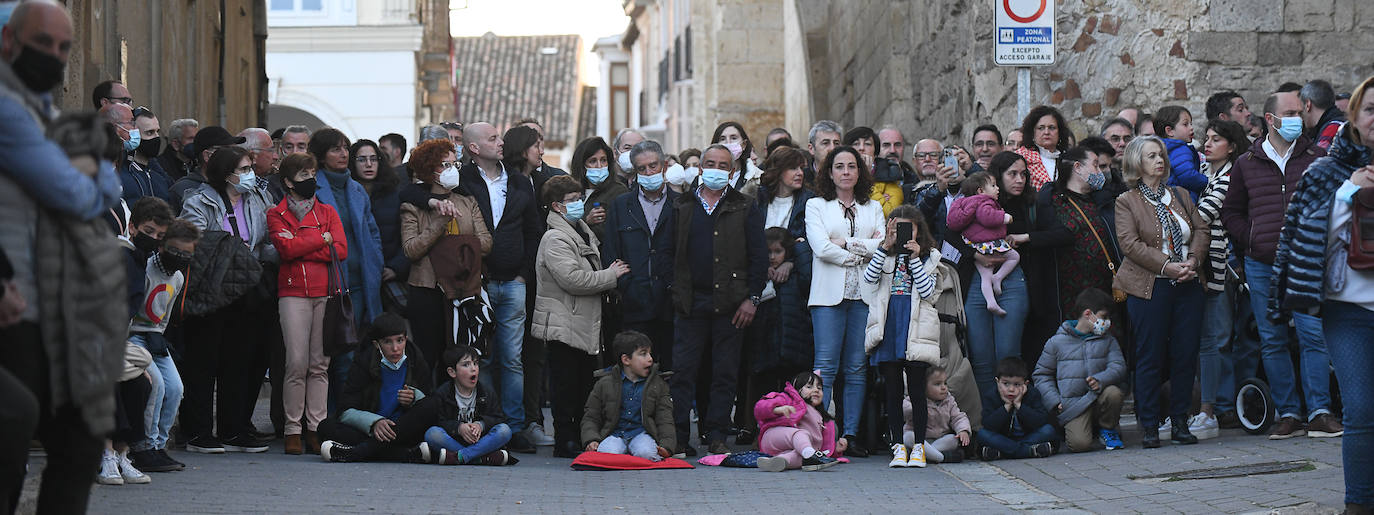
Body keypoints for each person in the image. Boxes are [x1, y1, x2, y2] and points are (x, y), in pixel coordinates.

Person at [1, 5, 129, 508]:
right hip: (16, 309)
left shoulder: (47, 114)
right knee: (12, 439)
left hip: (53, 307)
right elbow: (74, 193)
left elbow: (106, 184)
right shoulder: (9, 110)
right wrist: (81, 172)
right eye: (43, 43)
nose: (53, 56)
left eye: (63, 47)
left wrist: (85, 173)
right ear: (9, 40)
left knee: (77, 442)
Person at [1271, 75, 1374, 513]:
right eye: (1371, 109)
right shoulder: (1325, 172)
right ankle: (1359, 504)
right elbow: (1300, 240)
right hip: (1348, 312)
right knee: (1362, 410)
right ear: (1353, 115)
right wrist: (1351, 192)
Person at [1221, 91, 1341, 440]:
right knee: (1271, 340)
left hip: (1306, 263)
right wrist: (1252, 239)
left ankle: (1319, 411)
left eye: (1300, 112)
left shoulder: (1318, 157)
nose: (1298, 117)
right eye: (1289, 112)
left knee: (1312, 336)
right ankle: (1289, 413)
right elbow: (1231, 212)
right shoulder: (1247, 162)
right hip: (1262, 264)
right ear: (1270, 120)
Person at [669, 144, 767, 456]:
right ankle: (680, 436)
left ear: (732, 171)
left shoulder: (745, 205)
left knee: (724, 373)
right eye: (709, 163)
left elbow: (759, 257)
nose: (714, 169)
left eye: (722, 165)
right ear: (700, 168)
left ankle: (716, 433)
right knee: (684, 372)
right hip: (690, 302)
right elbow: (668, 255)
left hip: (731, 304)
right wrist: (675, 292)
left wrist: (752, 298)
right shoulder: (681, 205)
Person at [179, 145, 277, 454]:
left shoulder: (259, 199)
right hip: (212, 287)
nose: (250, 175)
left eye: (250, 168)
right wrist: (232, 251)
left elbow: (265, 241)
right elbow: (193, 241)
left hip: (247, 286)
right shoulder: (198, 201)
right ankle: (198, 432)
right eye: (244, 169)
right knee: (204, 360)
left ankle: (233, 429)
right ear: (225, 173)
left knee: (240, 360)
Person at [1114, 136, 1207, 448]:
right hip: (1149, 286)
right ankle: (1150, 424)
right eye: (1152, 156)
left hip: (1187, 283)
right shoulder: (1126, 201)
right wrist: (1168, 266)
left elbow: (1201, 230)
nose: (1160, 161)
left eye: (1162, 155)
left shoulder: (1179, 194)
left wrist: (1193, 259)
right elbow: (1129, 244)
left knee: (1185, 354)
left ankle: (1180, 421)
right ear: (1137, 164)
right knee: (1150, 355)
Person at [531, 174, 628, 457]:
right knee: (565, 386)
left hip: (582, 322)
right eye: (571, 201)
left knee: (584, 384)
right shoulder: (555, 237)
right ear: (556, 206)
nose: (578, 204)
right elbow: (573, 279)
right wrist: (611, 275)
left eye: (578, 198)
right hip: (564, 322)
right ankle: (565, 439)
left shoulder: (581, 229)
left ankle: (581, 436)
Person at [805, 144, 883, 457]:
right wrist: (856, 257)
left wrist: (849, 243)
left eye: (852, 166)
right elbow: (821, 248)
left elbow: (882, 246)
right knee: (825, 366)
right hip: (828, 297)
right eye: (839, 166)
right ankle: (819, 432)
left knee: (856, 367)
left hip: (863, 296)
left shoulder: (873, 207)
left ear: (859, 171)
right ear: (829, 172)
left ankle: (849, 435)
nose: (846, 172)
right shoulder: (816, 205)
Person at [266, 152, 347, 455]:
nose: (310, 180)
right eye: (303, 176)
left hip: (324, 292)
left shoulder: (327, 212)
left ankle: (317, 427)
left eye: (312, 173)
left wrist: (305, 243)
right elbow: (285, 250)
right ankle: (292, 429)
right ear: (288, 182)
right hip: (292, 293)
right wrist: (321, 239)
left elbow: (341, 249)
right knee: (296, 363)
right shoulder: (276, 213)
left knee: (319, 364)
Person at [399, 139, 491, 377]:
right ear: (430, 169)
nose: (452, 170)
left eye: (455, 164)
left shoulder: (467, 202)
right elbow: (411, 249)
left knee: (460, 354)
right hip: (427, 290)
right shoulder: (413, 207)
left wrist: (457, 246)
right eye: (444, 165)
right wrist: (439, 223)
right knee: (427, 357)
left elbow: (487, 243)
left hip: (463, 290)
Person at [861, 205, 941, 467]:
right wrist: (885, 245)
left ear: (919, 230)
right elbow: (870, 280)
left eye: (909, 228)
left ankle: (918, 446)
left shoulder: (931, 257)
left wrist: (915, 258)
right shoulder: (884, 254)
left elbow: (929, 293)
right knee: (892, 391)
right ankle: (898, 446)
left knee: (917, 390)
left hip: (915, 329)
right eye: (897, 228)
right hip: (889, 327)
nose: (904, 233)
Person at [126, 210, 198, 474]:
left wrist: (159, 338)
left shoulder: (178, 277)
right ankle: (143, 447)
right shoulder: (146, 266)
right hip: (134, 334)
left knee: (176, 388)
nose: (180, 257)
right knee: (154, 384)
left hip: (156, 337)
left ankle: (159, 445)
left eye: (187, 253)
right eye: (175, 250)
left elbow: (163, 317)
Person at [1192, 119, 1252, 434]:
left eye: (1216, 139)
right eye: (1207, 138)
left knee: (1220, 336)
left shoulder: (1230, 176)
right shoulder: (1204, 174)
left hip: (1221, 264)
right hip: (1204, 262)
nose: (1208, 143)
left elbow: (1203, 214)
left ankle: (1224, 406)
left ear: (1230, 145)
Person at [602, 140, 679, 375]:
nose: (648, 173)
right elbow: (611, 252)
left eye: (653, 166)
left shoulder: (681, 204)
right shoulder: (621, 205)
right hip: (635, 303)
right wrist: (626, 287)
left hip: (671, 303)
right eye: (642, 169)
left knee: (670, 370)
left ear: (664, 166)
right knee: (635, 372)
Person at [317, 313, 434, 463]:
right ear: (376, 344)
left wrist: (414, 398)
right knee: (326, 427)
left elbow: (429, 400)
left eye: (400, 340)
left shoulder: (415, 357)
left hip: (404, 428)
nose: (395, 348)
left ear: (406, 338)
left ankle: (357, 452)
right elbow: (345, 409)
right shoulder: (364, 361)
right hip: (373, 431)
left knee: (432, 406)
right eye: (387, 342)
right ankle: (404, 454)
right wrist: (374, 423)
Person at [1033, 288, 1128, 453]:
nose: (1107, 322)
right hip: (1073, 405)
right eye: (1103, 317)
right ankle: (1086, 428)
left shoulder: (1108, 340)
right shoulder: (1056, 342)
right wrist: (1054, 401)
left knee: (1114, 393)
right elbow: (1041, 375)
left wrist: (1101, 379)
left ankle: (1107, 428)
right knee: (1079, 445)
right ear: (1088, 314)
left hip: (1099, 397)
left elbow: (1118, 367)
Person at [1041, 146, 1118, 323]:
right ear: (1077, 167)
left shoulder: (1102, 200)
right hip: (1070, 293)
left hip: (1106, 290)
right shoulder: (1053, 200)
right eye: (1096, 165)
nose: (1100, 172)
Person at [581, 331, 675, 461]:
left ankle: (631, 454)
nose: (650, 359)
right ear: (626, 360)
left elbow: (665, 418)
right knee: (607, 455)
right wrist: (591, 440)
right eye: (643, 354)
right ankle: (625, 454)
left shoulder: (658, 384)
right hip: (614, 434)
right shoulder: (604, 384)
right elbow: (591, 416)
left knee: (647, 454)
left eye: (650, 353)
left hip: (641, 434)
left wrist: (667, 446)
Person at [425, 345, 516, 466]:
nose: (473, 369)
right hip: (455, 440)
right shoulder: (443, 393)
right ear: (452, 372)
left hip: (482, 441)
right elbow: (438, 421)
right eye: (466, 365)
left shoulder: (486, 392)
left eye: (475, 363)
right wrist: (458, 428)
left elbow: (498, 418)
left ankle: (461, 456)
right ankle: (482, 458)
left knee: (505, 431)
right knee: (432, 434)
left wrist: (481, 425)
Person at [948, 172, 1021, 316]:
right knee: (1014, 257)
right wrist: (1004, 217)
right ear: (980, 191)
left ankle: (991, 302)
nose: (997, 189)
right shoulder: (984, 201)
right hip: (991, 244)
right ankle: (999, 277)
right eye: (993, 185)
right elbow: (986, 217)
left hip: (976, 247)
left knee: (985, 276)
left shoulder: (964, 202)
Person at [349, 139, 408, 294]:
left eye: (373, 159)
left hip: (388, 273)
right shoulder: (346, 194)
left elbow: (408, 234)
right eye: (362, 159)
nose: (369, 164)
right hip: (355, 276)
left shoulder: (394, 193)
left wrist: (396, 267)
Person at [753, 372, 844, 472]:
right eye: (809, 387)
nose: (816, 390)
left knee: (801, 457)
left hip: (799, 449)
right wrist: (777, 409)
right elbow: (759, 408)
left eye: (819, 388)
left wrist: (836, 450)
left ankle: (779, 462)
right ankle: (809, 454)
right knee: (801, 434)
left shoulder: (824, 417)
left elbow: (823, 448)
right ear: (797, 389)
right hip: (774, 438)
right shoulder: (789, 399)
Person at [975, 357, 1057, 460]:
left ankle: (1004, 453)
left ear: (1025, 384)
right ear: (997, 382)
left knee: (1048, 430)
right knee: (982, 434)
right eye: (1006, 384)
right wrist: (1006, 406)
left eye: (1017, 384)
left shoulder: (1032, 393)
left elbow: (1040, 421)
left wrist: (1019, 405)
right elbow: (988, 424)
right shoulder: (991, 395)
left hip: (1028, 437)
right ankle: (1029, 451)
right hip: (1003, 439)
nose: (1011, 389)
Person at [169, 125, 245, 213]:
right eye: (228, 151)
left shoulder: (235, 185)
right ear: (207, 155)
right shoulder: (182, 190)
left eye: (235, 150)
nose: (234, 156)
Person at [903, 366, 971, 464]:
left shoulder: (949, 401)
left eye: (945, 383)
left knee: (953, 439)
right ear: (923, 386)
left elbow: (958, 417)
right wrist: (916, 408)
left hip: (939, 440)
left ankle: (926, 454)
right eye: (937, 384)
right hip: (919, 439)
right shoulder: (915, 399)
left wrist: (963, 430)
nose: (943, 387)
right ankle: (939, 457)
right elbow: (904, 410)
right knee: (908, 436)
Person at [567, 136, 626, 241]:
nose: (599, 166)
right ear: (582, 165)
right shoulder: (570, 192)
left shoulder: (618, 192)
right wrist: (586, 221)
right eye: (593, 161)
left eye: (603, 160)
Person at [119, 106, 172, 203]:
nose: (156, 137)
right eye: (149, 132)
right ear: (134, 133)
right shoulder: (123, 174)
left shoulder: (160, 177)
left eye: (157, 132)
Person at [1014, 105, 1073, 190]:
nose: (1046, 132)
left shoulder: (1069, 159)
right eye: (1041, 128)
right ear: (1032, 132)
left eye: (1052, 128)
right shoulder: (1020, 157)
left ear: (1059, 132)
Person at [1154, 105, 1206, 199]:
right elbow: (1188, 176)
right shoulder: (1180, 149)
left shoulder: (1160, 148)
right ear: (1169, 131)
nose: (1191, 128)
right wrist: (1206, 181)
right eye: (1185, 124)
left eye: (1191, 123)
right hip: (1182, 199)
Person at [711, 121, 762, 194]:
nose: (728, 142)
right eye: (722, 139)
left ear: (744, 144)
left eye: (733, 138)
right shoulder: (704, 178)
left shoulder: (757, 177)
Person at [1300, 79, 1347, 150]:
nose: (1300, 117)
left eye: (1301, 111)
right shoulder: (1337, 124)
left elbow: (1317, 159)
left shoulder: (1333, 128)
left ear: (1308, 105)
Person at [805, 120, 843, 184]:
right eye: (825, 143)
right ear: (811, 149)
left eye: (836, 143)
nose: (832, 148)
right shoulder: (802, 178)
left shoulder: (847, 176)